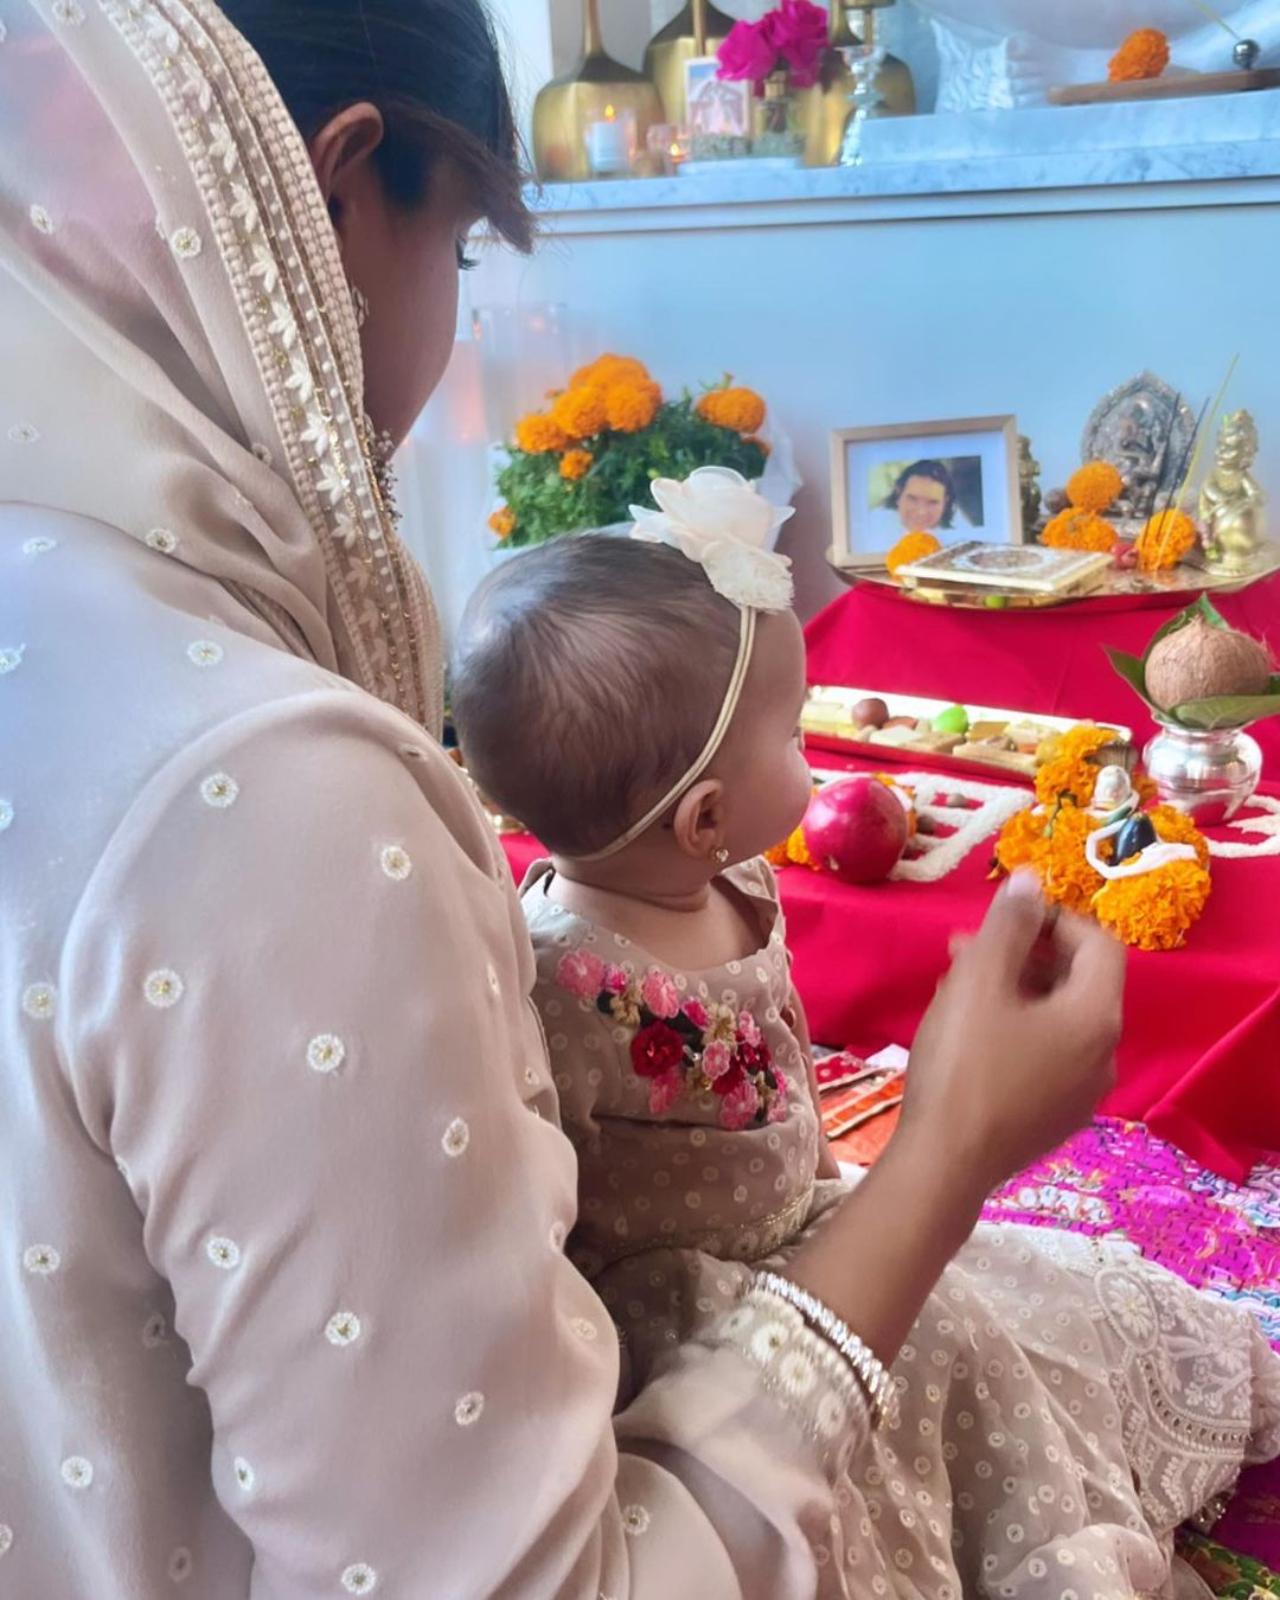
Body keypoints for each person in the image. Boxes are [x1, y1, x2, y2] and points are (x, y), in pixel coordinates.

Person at [0, 3, 1259, 1596]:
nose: (447, 326)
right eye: (456, 257)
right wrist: (949, 1144)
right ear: (334, 195)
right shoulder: (272, 796)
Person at [452, 474, 1280, 1598]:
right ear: (705, 815)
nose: (815, 756)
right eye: (793, 735)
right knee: (934, 1375)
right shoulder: (563, 981)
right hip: (713, 1305)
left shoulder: (736, 878)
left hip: (814, 1214)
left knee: (1003, 1316)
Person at [867, 457, 962, 547]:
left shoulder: (960, 535)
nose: (921, 512)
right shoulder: (874, 529)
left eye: (932, 502)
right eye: (913, 499)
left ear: (945, 502)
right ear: (899, 493)